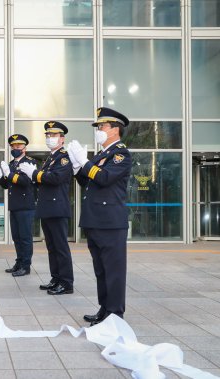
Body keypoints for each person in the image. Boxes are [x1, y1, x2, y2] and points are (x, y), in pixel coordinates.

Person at [67, 107, 132, 325]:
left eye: (102, 126)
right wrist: (77, 166)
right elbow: (87, 181)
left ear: (115, 130)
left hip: (111, 223)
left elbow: (104, 179)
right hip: (95, 220)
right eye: (98, 126)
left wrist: (85, 163)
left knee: (113, 272)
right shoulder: (103, 155)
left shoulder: (121, 154)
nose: (99, 130)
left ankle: (115, 315)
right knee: (101, 270)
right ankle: (105, 309)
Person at [19, 121, 74, 295]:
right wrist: (35, 177)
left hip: (57, 208)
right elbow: (44, 180)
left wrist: (35, 174)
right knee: (51, 246)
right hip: (48, 208)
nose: (50, 138)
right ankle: (56, 278)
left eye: (54, 135)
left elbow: (56, 178)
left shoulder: (63, 157)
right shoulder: (51, 157)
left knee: (60, 247)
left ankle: (66, 282)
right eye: (48, 135)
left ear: (62, 138)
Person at [0, 134, 36, 276]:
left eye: (18, 145)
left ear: (24, 147)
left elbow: (26, 182)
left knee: (25, 238)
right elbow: (7, 185)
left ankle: (26, 266)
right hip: (14, 206)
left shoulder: (30, 162)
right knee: (17, 237)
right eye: (13, 146)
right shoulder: (12, 164)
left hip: (25, 206)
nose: (16, 148)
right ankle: (19, 262)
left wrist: (9, 174)